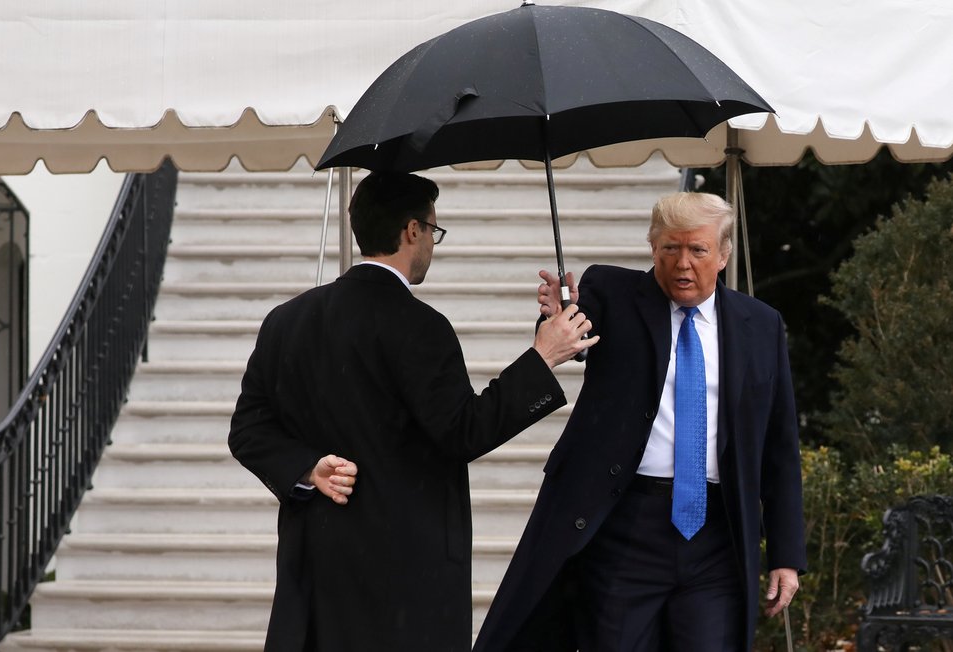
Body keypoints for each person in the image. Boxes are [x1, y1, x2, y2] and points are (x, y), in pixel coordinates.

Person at [228, 171, 597, 652]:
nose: (432, 244)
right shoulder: (420, 326)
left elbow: (248, 429)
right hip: (405, 575)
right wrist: (543, 357)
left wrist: (306, 467)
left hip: (318, 564)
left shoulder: (285, 321)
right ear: (412, 231)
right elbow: (464, 431)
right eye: (433, 231)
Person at [473, 192, 806, 652]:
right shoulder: (612, 293)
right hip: (626, 528)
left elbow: (780, 445)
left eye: (697, 249)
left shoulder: (761, 324)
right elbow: (577, 335)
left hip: (718, 538)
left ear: (724, 255)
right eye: (670, 248)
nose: (682, 263)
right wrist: (557, 316)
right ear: (652, 248)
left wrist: (787, 555)